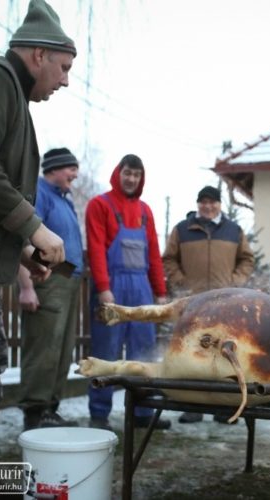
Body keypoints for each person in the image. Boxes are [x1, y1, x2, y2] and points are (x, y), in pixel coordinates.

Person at [0, 0, 75, 462]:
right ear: (38, 55)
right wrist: (35, 226)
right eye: (64, 67)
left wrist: (25, 249)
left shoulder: (14, 98)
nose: (65, 80)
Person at [85, 154, 170, 431]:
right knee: (106, 351)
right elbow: (96, 249)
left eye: (136, 174)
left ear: (141, 178)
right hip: (113, 285)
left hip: (141, 287)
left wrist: (160, 292)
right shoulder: (100, 205)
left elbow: (154, 255)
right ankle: (99, 413)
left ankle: (142, 412)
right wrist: (104, 288)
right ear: (118, 173)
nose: (131, 179)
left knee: (142, 353)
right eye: (127, 173)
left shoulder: (146, 210)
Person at [163, 185, 255, 423]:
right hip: (192, 304)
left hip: (226, 304)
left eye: (212, 201)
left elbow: (247, 259)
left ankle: (224, 408)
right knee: (193, 352)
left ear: (219, 205)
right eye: (203, 201)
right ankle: (193, 407)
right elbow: (169, 259)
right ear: (198, 204)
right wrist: (182, 282)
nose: (207, 206)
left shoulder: (234, 231)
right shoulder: (182, 230)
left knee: (224, 353)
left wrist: (235, 282)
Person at [17, 148, 84, 431]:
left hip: (68, 281)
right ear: (56, 168)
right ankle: (35, 414)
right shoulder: (39, 193)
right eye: (71, 169)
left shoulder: (64, 200)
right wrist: (26, 287)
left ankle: (50, 410)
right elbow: (20, 240)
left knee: (62, 350)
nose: (75, 175)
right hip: (47, 281)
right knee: (43, 347)